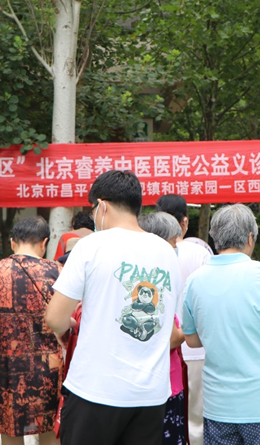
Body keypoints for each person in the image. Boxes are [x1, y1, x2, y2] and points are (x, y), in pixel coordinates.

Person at [45, 170, 182, 445]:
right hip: (151, 396)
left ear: (102, 206)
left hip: (96, 391)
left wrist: (68, 328)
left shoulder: (90, 246)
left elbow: (55, 318)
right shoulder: (167, 252)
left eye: (93, 209)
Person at [181, 204, 260, 445]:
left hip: (218, 404)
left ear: (215, 238)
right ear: (250, 238)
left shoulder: (195, 280)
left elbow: (191, 340)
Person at [0, 216, 62, 445]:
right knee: (49, 429)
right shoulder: (58, 271)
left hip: (7, 365)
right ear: (44, 243)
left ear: (12, 242)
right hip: (49, 366)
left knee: (10, 430)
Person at [155, 194, 211, 445]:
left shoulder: (149, 253)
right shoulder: (199, 253)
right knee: (196, 421)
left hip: (161, 351)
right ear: (184, 222)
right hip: (195, 347)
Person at [138, 211, 188, 445]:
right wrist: (188, 331)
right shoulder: (156, 282)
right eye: (174, 243)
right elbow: (169, 339)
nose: (176, 249)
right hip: (163, 384)